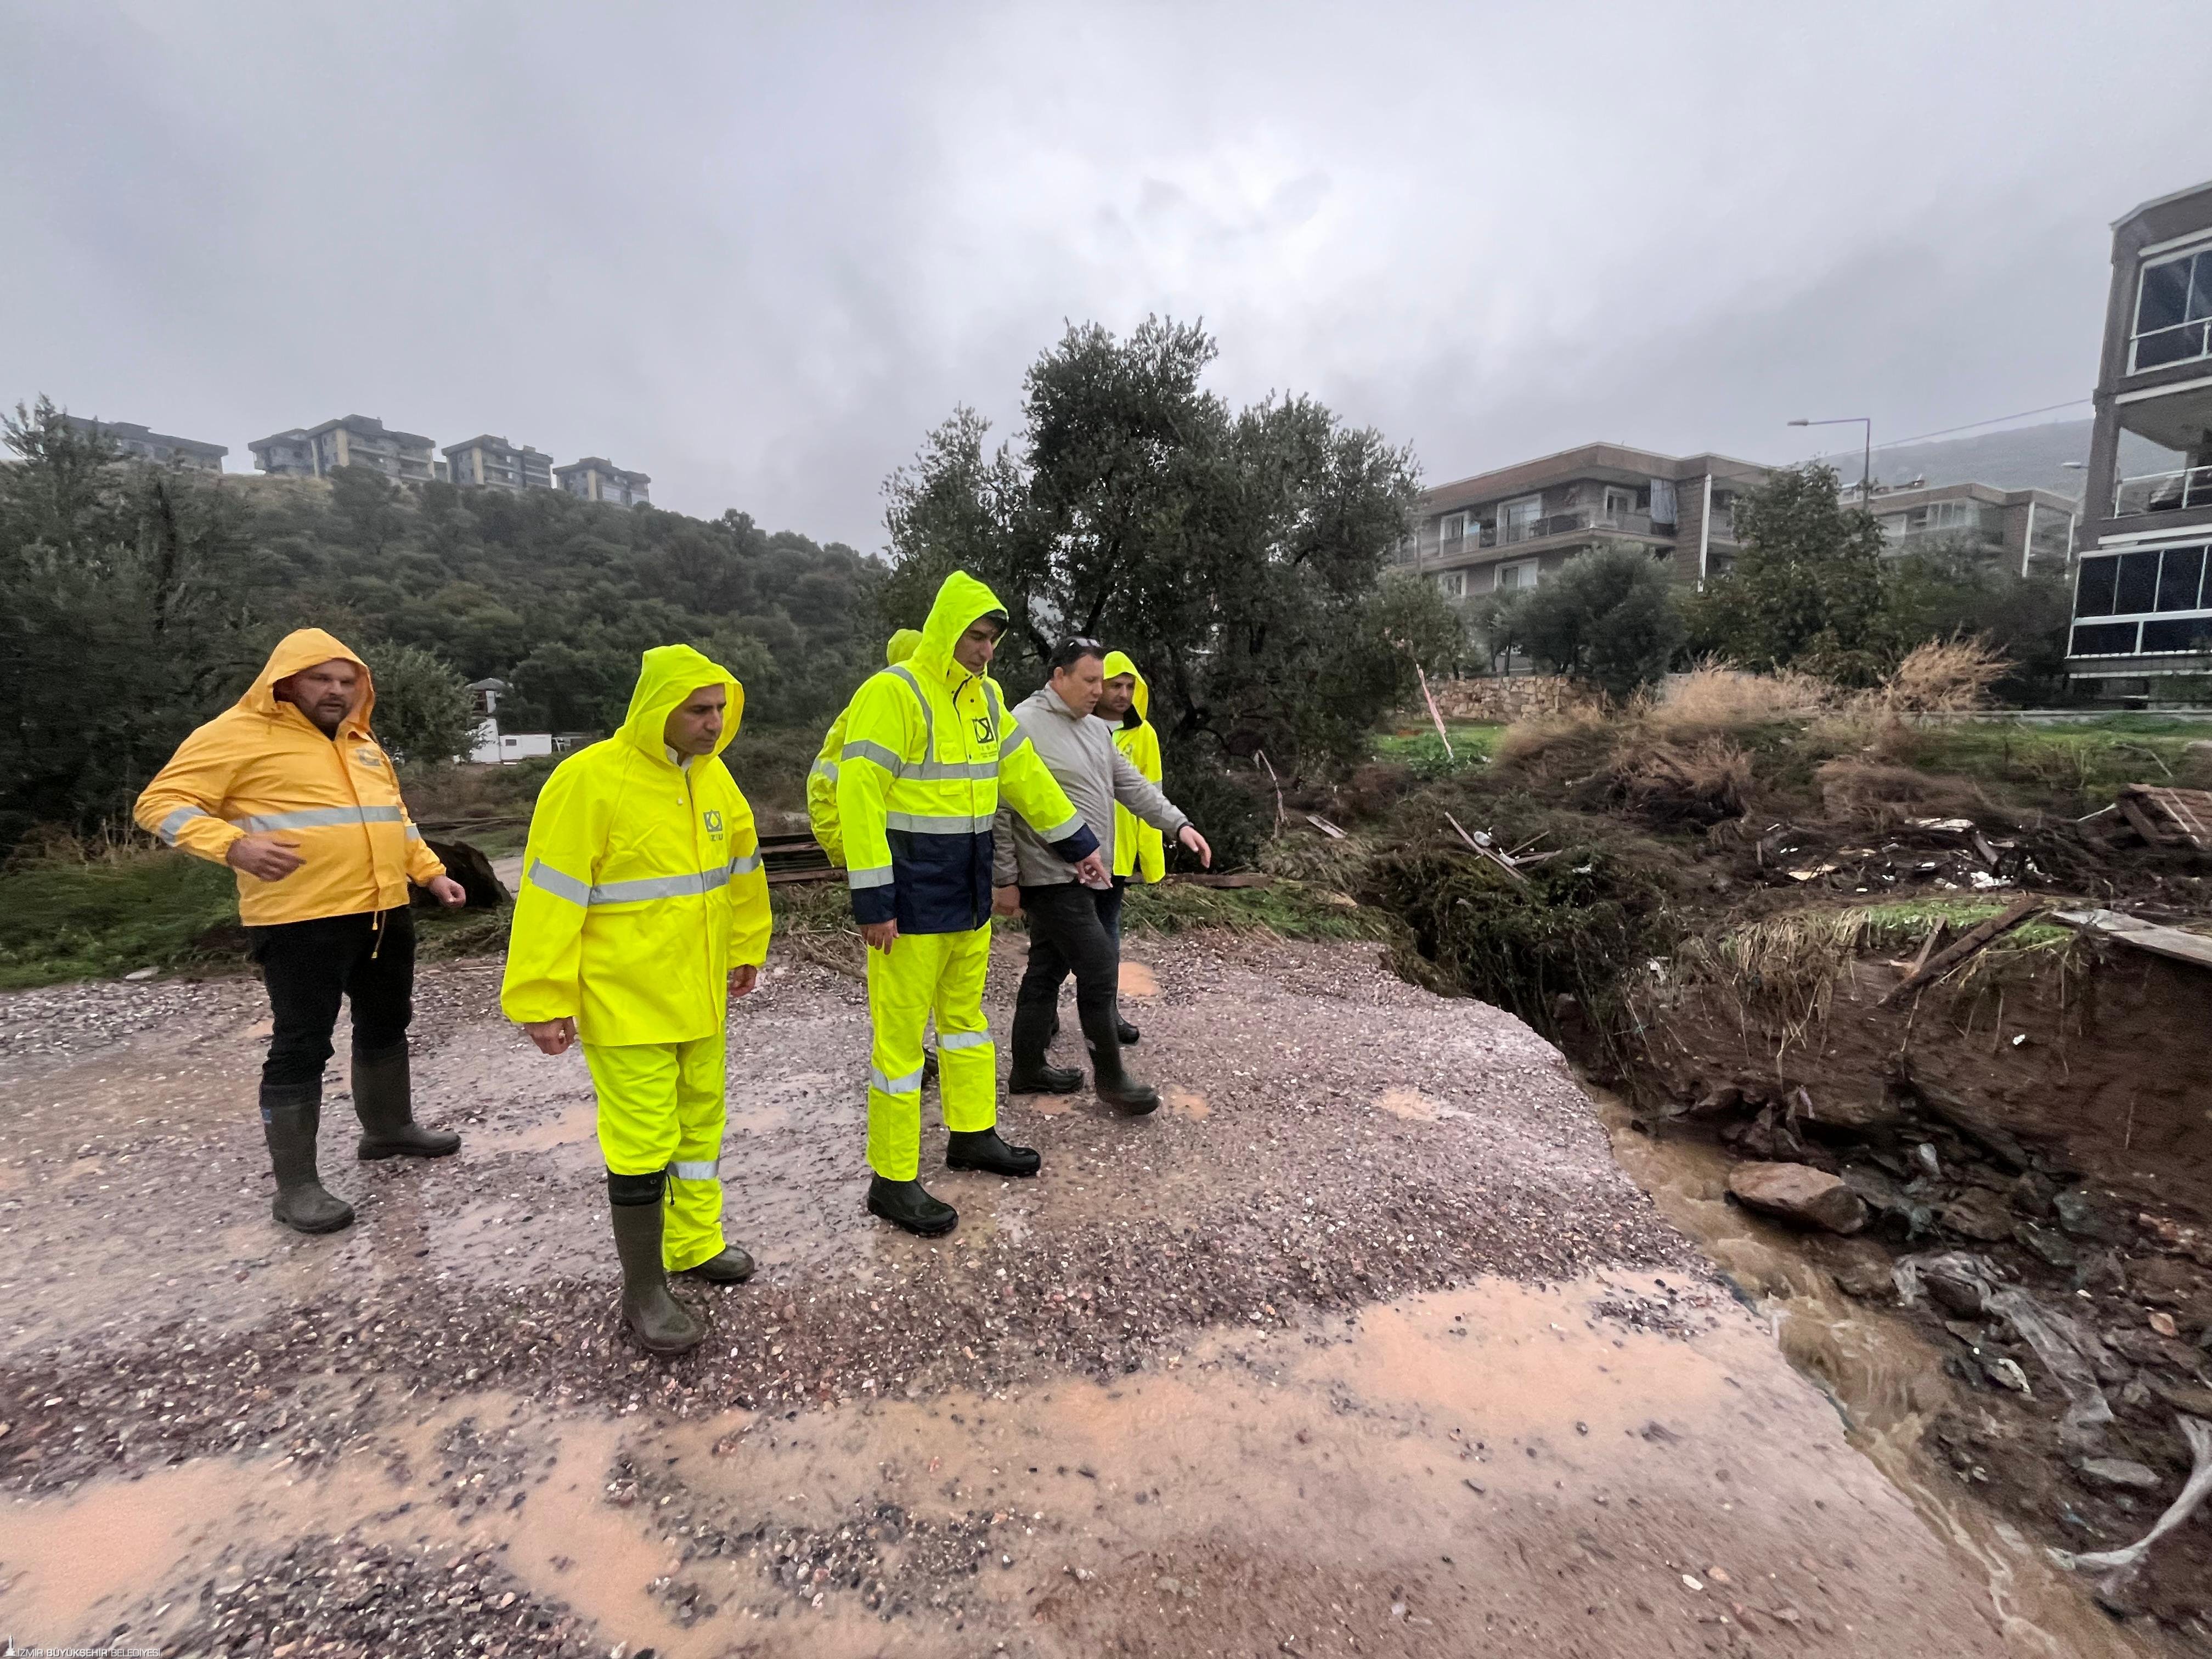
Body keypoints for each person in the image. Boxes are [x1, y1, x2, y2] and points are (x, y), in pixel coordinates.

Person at [133, 628, 468, 1236]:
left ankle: (389, 1131)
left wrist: (430, 873)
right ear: (285, 681)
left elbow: (393, 820)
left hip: (384, 911)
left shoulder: (363, 743)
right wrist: (232, 846)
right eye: (322, 679)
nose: (336, 691)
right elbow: (159, 804)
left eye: (347, 681)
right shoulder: (235, 734)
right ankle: (297, 1189)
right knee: (302, 1043)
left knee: (387, 1021)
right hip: (298, 919)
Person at [501, 645, 771, 1356]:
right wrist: (541, 996)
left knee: (699, 1127)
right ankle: (644, 1291)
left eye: (720, 709)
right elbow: (550, 895)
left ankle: (695, 1243)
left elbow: (743, 869)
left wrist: (747, 947)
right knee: (644, 1144)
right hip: (626, 1002)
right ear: (658, 711)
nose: (714, 724)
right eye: (699, 710)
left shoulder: (714, 779)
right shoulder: (589, 781)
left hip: (701, 996)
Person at [837, 571, 1108, 1237]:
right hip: (908, 905)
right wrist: (873, 900)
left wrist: (1078, 844)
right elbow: (858, 796)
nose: (985, 650)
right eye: (975, 637)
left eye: (991, 639)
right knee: (901, 1046)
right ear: (945, 632)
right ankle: (892, 1179)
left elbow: (1027, 778)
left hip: (968, 896)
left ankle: (973, 1134)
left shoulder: (986, 700)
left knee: (965, 1026)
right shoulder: (894, 693)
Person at [992, 639, 1211, 1113]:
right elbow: (1002, 808)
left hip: (1090, 872)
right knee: (1098, 963)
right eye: (1090, 680)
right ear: (1059, 676)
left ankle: (1027, 1069)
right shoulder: (1022, 724)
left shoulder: (1094, 729)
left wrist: (1179, 824)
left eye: (1102, 681)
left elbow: (1132, 785)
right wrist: (1005, 878)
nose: (1099, 690)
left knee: (1046, 969)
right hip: (1048, 875)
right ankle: (1112, 1081)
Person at [1096, 649, 1163, 1045]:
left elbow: (1153, 795)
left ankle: (1107, 1012)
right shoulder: (1077, 725)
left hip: (1117, 855)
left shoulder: (1143, 734)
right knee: (1057, 936)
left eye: (1129, 686)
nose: (1123, 694)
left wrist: (1151, 860)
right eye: (1114, 685)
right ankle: (1045, 1011)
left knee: (1108, 935)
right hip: (1074, 850)